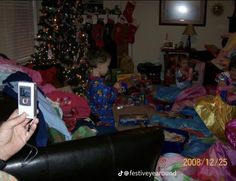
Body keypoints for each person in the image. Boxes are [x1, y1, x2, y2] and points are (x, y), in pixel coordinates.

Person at [86, 49, 122, 127]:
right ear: (99, 65)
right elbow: (107, 99)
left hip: (95, 112)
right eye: (107, 66)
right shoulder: (99, 84)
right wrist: (115, 89)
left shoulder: (92, 79)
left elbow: (103, 92)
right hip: (103, 117)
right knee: (109, 130)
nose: (108, 69)